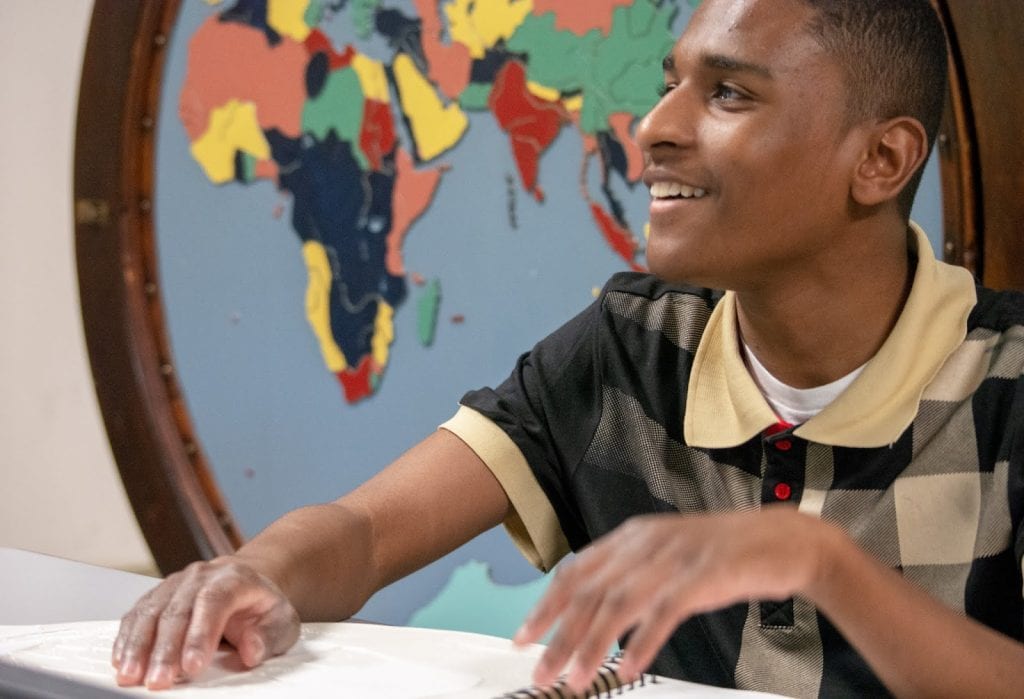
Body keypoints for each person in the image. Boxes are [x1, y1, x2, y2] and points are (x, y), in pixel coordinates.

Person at [112, 0, 1024, 695]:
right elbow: (364, 530)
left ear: (882, 160)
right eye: (671, 82)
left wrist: (817, 563)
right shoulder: (633, 341)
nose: (655, 128)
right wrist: (257, 573)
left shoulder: (1011, 383)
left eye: (730, 93)